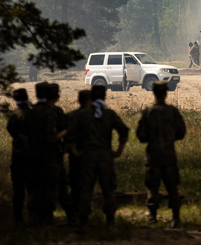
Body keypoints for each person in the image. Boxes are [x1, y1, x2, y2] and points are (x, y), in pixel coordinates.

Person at [72, 84, 129, 230]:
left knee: (86, 190)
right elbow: (123, 131)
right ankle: (110, 221)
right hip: (105, 156)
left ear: (91, 97)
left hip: (88, 156)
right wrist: (118, 151)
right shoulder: (109, 114)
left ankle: (83, 221)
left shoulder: (83, 115)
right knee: (108, 190)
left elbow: (71, 133)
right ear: (105, 96)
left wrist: (75, 151)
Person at [136, 80, 187, 228]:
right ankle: (175, 218)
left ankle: (152, 216)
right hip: (169, 156)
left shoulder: (148, 113)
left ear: (153, 93)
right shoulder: (173, 112)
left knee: (152, 187)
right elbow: (181, 133)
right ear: (166, 93)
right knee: (172, 187)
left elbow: (141, 136)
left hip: (153, 157)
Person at [25, 82, 67, 225]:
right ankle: (47, 217)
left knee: (35, 187)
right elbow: (52, 137)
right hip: (51, 155)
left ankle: (33, 216)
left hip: (34, 155)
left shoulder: (31, 112)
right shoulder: (54, 112)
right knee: (52, 187)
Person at [65, 89, 92, 225]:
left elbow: (67, 135)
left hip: (74, 156)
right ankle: (85, 214)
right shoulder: (94, 116)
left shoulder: (70, 116)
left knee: (74, 185)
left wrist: (73, 149)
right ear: (89, 101)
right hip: (89, 155)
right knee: (87, 186)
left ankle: (75, 213)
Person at [6, 88, 31, 224]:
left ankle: (18, 219)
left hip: (17, 157)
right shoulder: (32, 115)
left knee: (18, 191)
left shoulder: (14, 116)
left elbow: (10, 130)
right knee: (33, 189)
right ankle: (35, 217)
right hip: (32, 157)